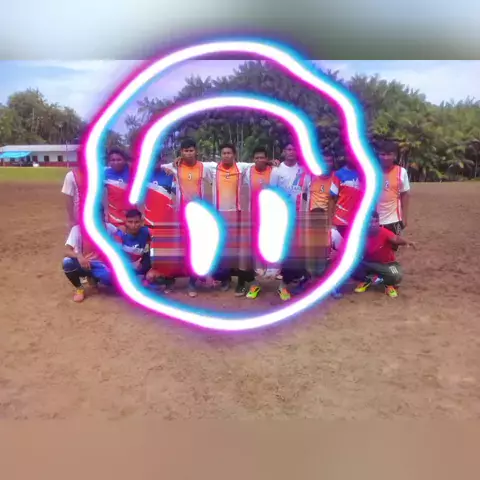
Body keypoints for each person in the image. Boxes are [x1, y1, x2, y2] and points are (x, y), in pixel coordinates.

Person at [269, 141, 310, 301]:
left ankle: (299, 279)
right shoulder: (277, 171)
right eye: (288, 149)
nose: (291, 152)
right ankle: (282, 286)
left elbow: (306, 194)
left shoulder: (304, 171)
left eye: (294, 149)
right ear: (284, 152)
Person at [354, 212, 416, 298]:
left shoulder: (384, 232)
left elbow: (396, 239)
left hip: (387, 264)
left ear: (379, 222)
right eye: (370, 222)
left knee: (397, 275)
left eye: (376, 221)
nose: (373, 224)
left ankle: (388, 284)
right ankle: (368, 279)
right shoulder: (360, 234)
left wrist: (407, 242)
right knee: (349, 268)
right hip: (369, 263)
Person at [242, 146, 275, 299]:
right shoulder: (248, 172)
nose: (259, 160)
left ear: (266, 159)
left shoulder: (274, 171)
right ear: (253, 159)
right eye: (257, 158)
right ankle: (257, 278)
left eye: (262, 157)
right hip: (254, 215)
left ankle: (274, 274)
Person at [144, 156, 177, 293]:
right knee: (150, 251)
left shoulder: (170, 175)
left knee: (165, 251)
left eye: (156, 160)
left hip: (165, 220)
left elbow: (178, 194)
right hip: (149, 220)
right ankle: (152, 279)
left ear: (161, 161)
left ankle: (169, 280)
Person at [63, 222, 116, 303]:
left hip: (101, 264)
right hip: (84, 262)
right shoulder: (77, 229)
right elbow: (66, 251)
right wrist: (79, 256)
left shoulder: (109, 228)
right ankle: (79, 289)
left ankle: (93, 279)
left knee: (111, 280)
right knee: (67, 263)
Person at [375, 139, 411, 236]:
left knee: (394, 244)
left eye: (389, 154)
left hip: (394, 220)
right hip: (374, 221)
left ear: (395, 155)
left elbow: (405, 195)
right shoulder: (371, 172)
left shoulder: (401, 172)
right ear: (378, 155)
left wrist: (404, 218)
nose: (385, 158)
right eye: (382, 154)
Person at [112, 209, 152, 278]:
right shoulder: (119, 234)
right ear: (125, 222)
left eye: (137, 222)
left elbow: (148, 251)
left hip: (140, 269)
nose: (133, 225)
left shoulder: (146, 232)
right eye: (130, 222)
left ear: (141, 222)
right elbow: (115, 257)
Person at [329, 156, 363, 238]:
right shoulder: (338, 174)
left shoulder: (364, 173)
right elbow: (332, 199)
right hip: (341, 219)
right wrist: (330, 222)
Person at [104, 148, 132, 227]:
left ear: (125, 160)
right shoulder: (105, 173)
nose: (115, 162)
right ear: (109, 162)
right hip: (114, 218)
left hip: (131, 218)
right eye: (112, 160)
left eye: (119, 160)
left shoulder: (132, 172)